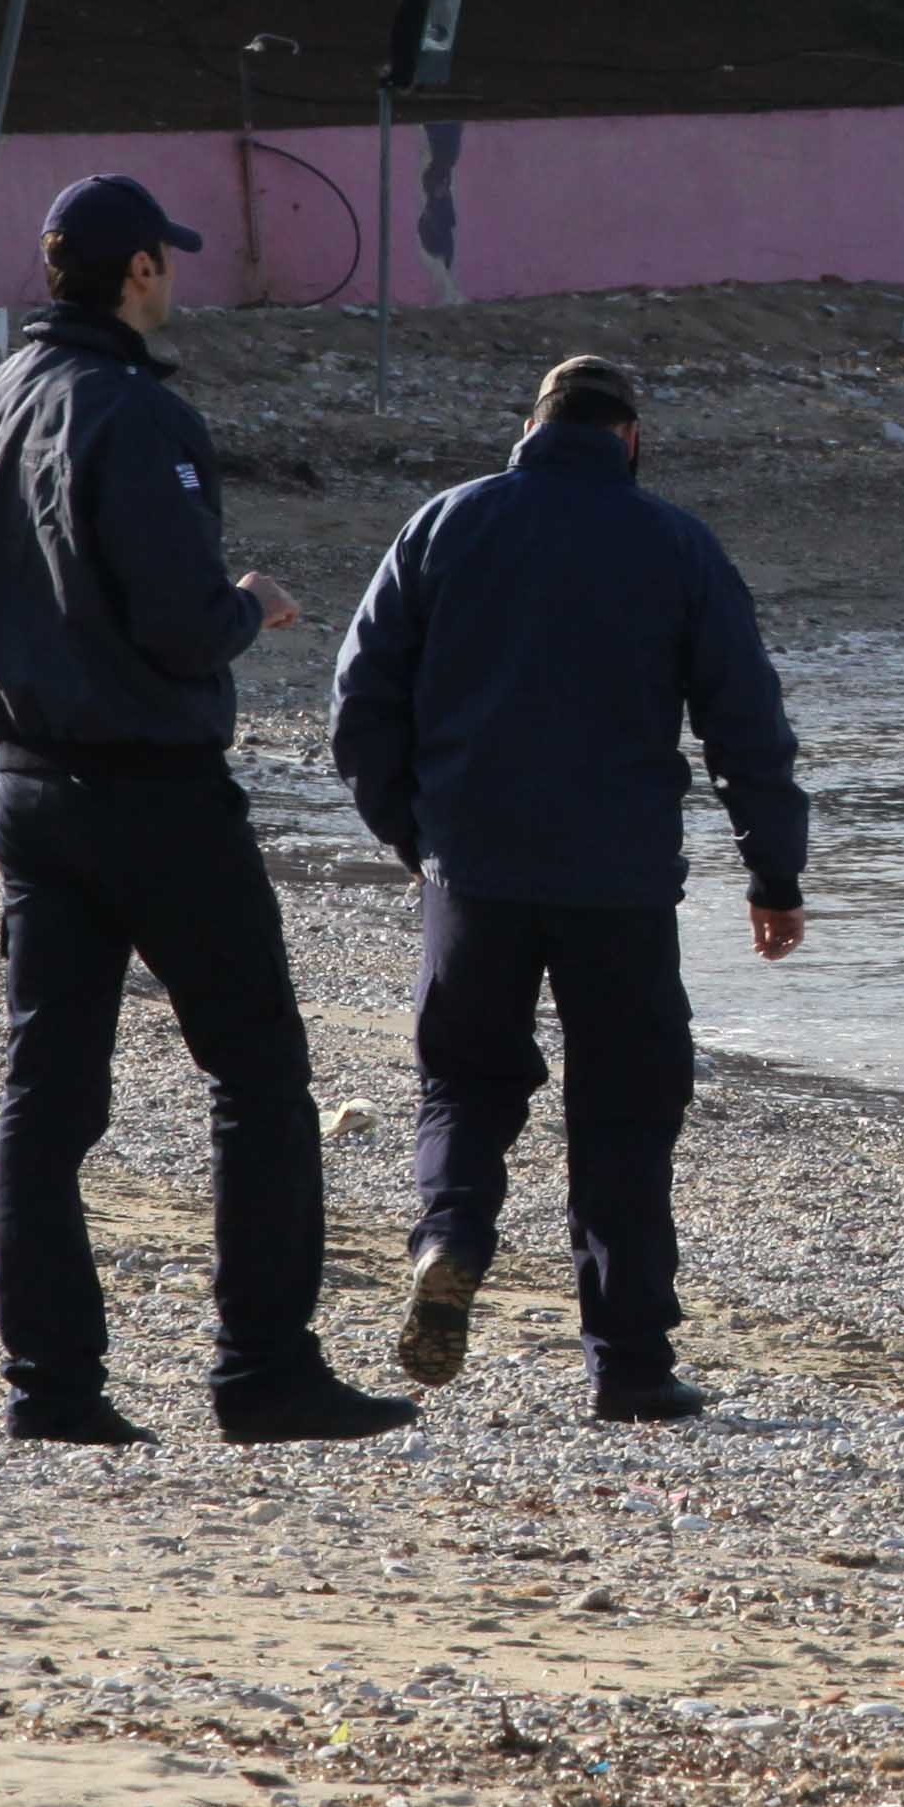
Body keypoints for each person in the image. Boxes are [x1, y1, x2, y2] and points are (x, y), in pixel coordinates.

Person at [0, 174, 417, 1450]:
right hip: (150, 792)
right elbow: (182, 628)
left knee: (49, 1094)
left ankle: (54, 1388)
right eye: (168, 261)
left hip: (26, 790)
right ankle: (262, 1371)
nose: (176, 279)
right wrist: (254, 603)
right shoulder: (139, 416)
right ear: (137, 270)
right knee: (259, 1078)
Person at [328, 353, 811, 1426]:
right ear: (630, 437)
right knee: (625, 1113)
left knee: (466, 1084)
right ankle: (629, 1365)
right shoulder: (678, 545)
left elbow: (360, 702)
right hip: (620, 884)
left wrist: (420, 838)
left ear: (534, 425)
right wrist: (774, 872)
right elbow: (746, 725)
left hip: (476, 872)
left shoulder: (446, 524)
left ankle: (451, 1239)